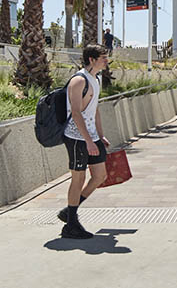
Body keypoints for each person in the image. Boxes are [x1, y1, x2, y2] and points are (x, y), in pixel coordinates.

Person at [57, 44, 111, 239]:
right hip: (76, 137)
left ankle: (70, 210)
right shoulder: (79, 81)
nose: (106, 60)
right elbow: (76, 112)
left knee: (100, 176)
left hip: (91, 136)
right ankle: (71, 225)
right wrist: (88, 141)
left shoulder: (95, 80)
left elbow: (94, 110)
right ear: (92, 59)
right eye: (103, 57)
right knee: (78, 179)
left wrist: (99, 135)